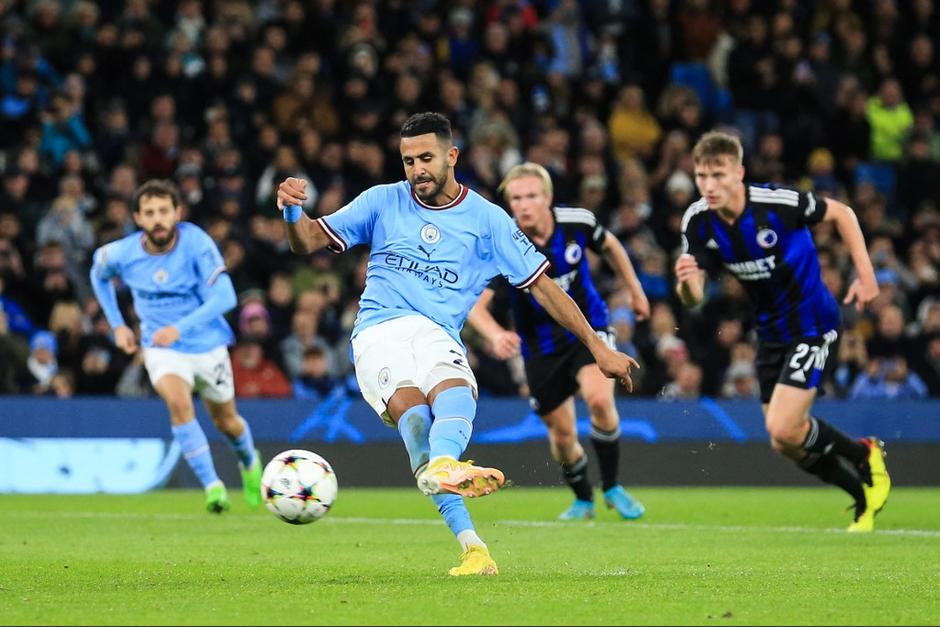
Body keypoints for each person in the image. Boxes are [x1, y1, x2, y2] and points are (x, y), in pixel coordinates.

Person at [275, 112, 638, 576]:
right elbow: (306, 240)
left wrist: (598, 348)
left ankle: (467, 526)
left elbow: (544, 288)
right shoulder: (382, 201)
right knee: (416, 424)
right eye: (408, 161)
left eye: (426, 158)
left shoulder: (488, 220)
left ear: (452, 156)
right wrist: (292, 212)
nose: (417, 170)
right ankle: (469, 535)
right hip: (378, 330)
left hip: (437, 331)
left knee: (453, 396)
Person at [674, 131, 890, 532]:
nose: (709, 185)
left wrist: (866, 276)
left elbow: (842, 213)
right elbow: (693, 297)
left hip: (814, 323)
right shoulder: (699, 221)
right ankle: (861, 497)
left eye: (718, 175)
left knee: (783, 426)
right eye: (702, 176)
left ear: (739, 173)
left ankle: (864, 455)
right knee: (783, 442)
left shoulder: (777, 204)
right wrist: (687, 284)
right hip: (771, 333)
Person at [466, 162, 650, 521]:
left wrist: (635, 289)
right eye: (516, 198)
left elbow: (610, 244)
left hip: (589, 332)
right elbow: (477, 306)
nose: (524, 205)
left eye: (531, 196)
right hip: (540, 349)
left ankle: (612, 486)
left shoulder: (576, 222)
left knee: (599, 400)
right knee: (563, 437)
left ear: (548, 198)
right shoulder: (503, 243)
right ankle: (583, 499)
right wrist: (496, 334)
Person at [89, 180, 262, 514]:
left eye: (164, 211)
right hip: (161, 348)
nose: (158, 219)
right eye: (150, 212)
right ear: (138, 218)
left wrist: (178, 328)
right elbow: (98, 274)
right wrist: (118, 325)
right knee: (179, 404)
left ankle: (249, 461)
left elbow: (226, 297)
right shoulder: (121, 253)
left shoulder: (196, 242)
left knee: (227, 422)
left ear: (177, 213)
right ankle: (213, 487)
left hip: (208, 344)